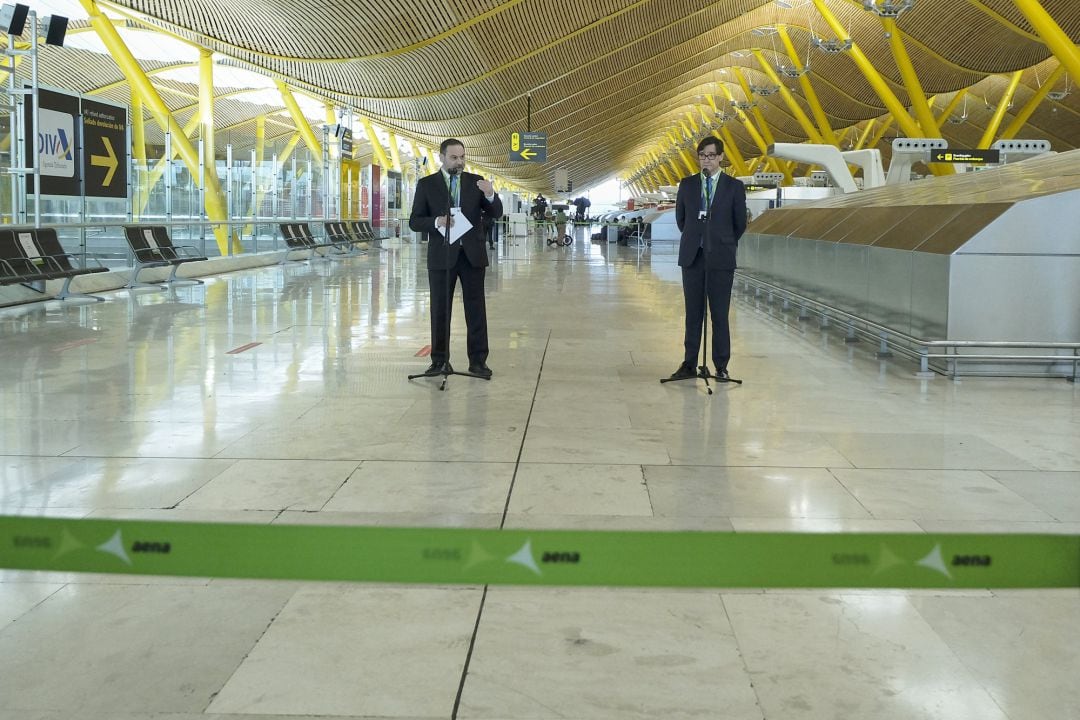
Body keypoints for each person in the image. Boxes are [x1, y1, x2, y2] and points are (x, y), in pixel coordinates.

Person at [409, 138, 503, 378]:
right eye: (454, 158)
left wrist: (491, 195)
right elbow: (415, 221)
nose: (459, 162)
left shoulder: (475, 183)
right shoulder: (426, 184)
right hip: (442, 256)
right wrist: (436, 221)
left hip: (472, 256)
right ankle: (440, 361)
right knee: (440, 310)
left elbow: (496, 212)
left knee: (476, 309)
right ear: (441, 157)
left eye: (462, 157)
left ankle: (478, 362)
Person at [669, 136, 747, 381]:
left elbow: (739, 224)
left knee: (719, 314)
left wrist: (721, 240)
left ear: (721, 157)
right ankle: (689, 363)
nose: (707, 160)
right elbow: (682, 219)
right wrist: (697, 239)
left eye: (711, 155)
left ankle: (721, 365)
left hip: (721, 257)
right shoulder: (688, 184)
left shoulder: (734, 187)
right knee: (693, 313)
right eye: (702, 155)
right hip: (693, 256)